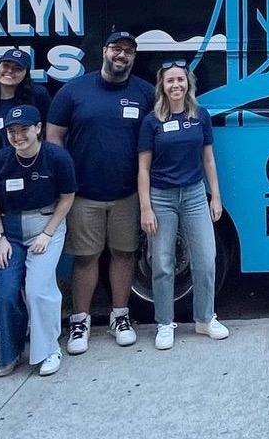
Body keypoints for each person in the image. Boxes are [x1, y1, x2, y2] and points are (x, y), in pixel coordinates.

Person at [47, 32, 155, 354]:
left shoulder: (145, 92)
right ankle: (79, 322)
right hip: (84, 195)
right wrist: (66, 180)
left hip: (128, 194)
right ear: (104, 51)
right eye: (116, 49)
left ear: (133, 57)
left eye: (128, 51)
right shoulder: (73, 91)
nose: (121, 55)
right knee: (85, 258)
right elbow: (53, 138)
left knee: (124, 255)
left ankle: (119, 317)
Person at [138, 60, 229, 349]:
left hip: (194, 196)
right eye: (170, 81)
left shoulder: (200, 116)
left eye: (180, 79)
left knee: (206, 259)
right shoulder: (151, 121)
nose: (176, 85)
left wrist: (216, 196)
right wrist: (146, 208)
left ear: (188, 83)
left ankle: (205, 318)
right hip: (161, 198)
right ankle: (165, 323)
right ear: (162, 87)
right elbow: (143, 169)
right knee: (162, 264)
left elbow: (208, 159)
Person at [0, 105, 76, 377]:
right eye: (12, 131)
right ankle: (10, 353)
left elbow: (67, 197)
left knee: (38, 289)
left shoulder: (57, 158)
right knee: (6, 293)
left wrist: (48, 233)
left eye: (24, 129)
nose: (18, 136)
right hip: (9, 232)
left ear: (38, 129)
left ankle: (49, 350)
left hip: (46, 225)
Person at [0, 47, 52, 349]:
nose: (10, 71)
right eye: (5, 66)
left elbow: (48, 134)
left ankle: (27, 316)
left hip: (30, 181)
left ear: (25, 73)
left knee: (27, 256)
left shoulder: (36, 98)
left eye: (17, 68)